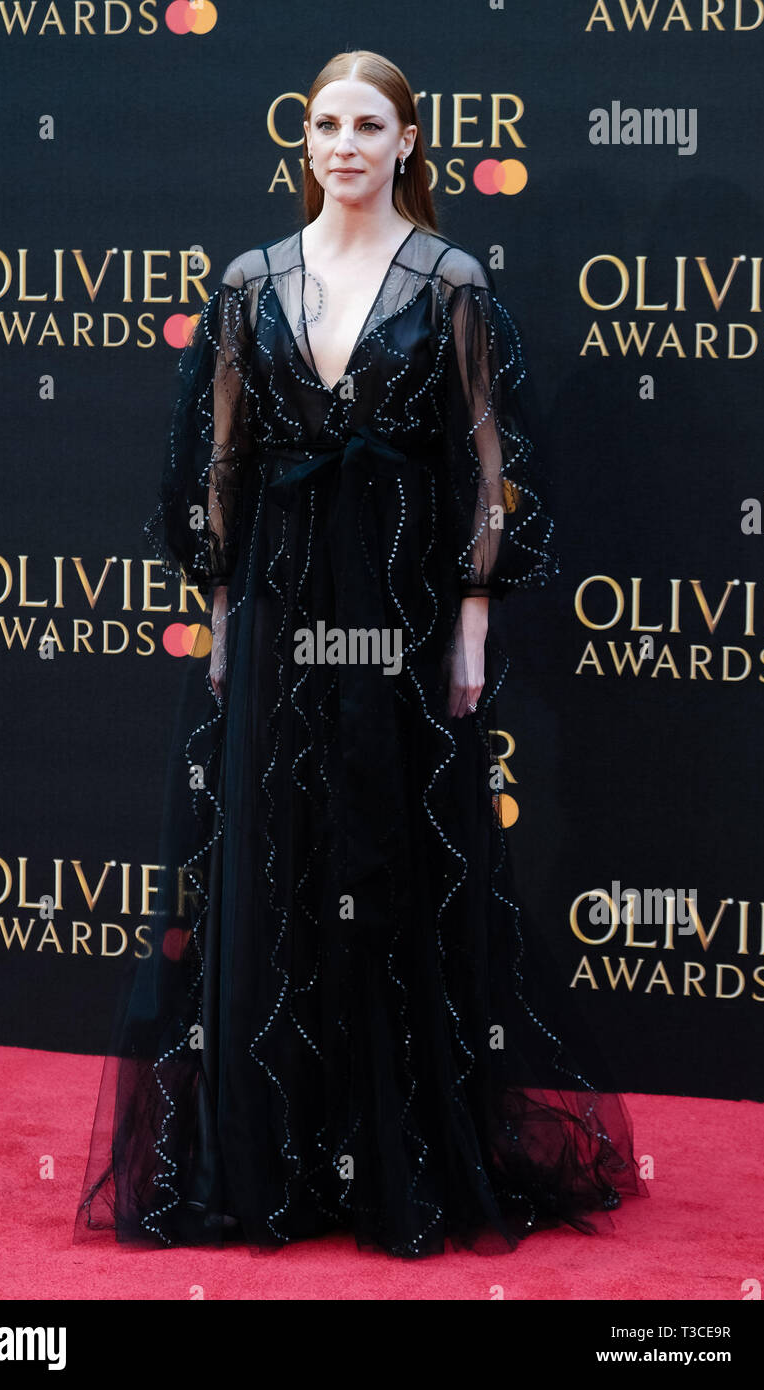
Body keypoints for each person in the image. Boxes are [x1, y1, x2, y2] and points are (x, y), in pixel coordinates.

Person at [74, 49, 649, 1260]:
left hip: (397, 611)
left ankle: (392, 1150)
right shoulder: (246, 282)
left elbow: (491, 468)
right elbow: (215, 467)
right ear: (305, 141)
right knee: (267, 870)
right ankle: (268, 1154)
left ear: (406, 143)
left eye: (367, 124)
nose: (343, 143)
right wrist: (223, 613)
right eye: (326, 122)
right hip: (279, 611)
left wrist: (473, 618)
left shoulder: (449, 279)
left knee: (386, 866)